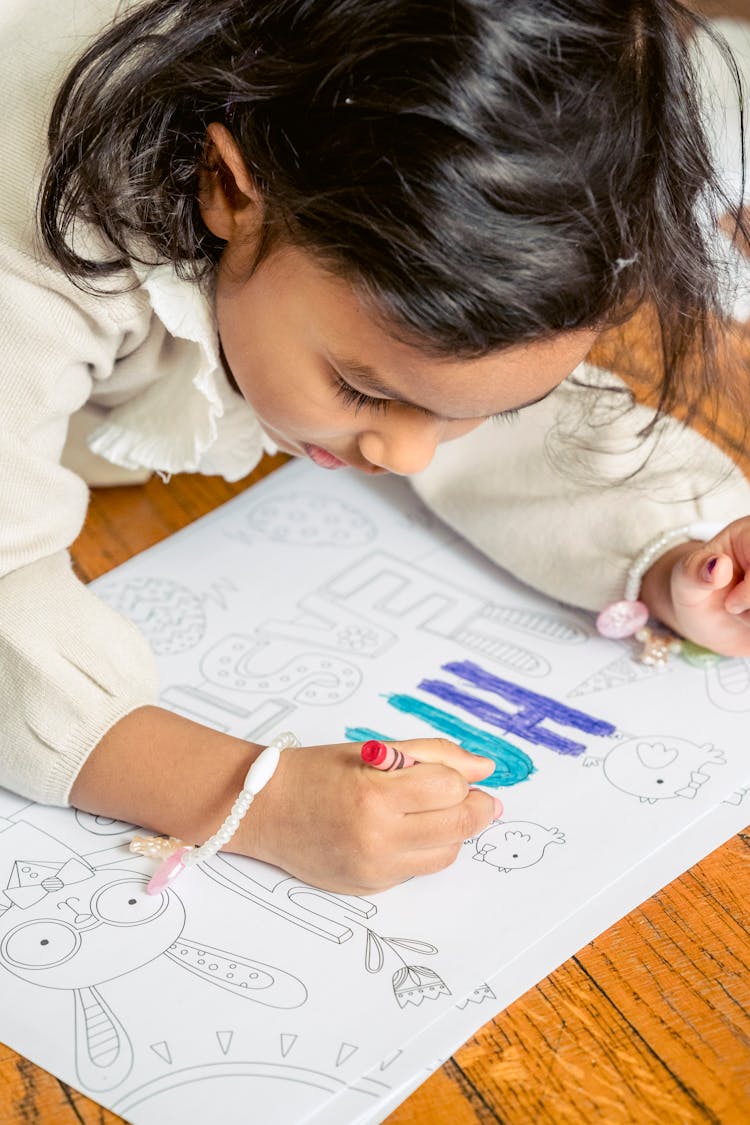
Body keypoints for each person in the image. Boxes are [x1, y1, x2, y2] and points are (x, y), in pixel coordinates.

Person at [1, 0, 749, 894]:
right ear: (230, 190)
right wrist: (248, 799)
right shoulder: (36, 231)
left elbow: (479, 382)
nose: (410, 455)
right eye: (365, 390)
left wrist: (672, 544)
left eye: (473, 408)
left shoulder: (417, 232)